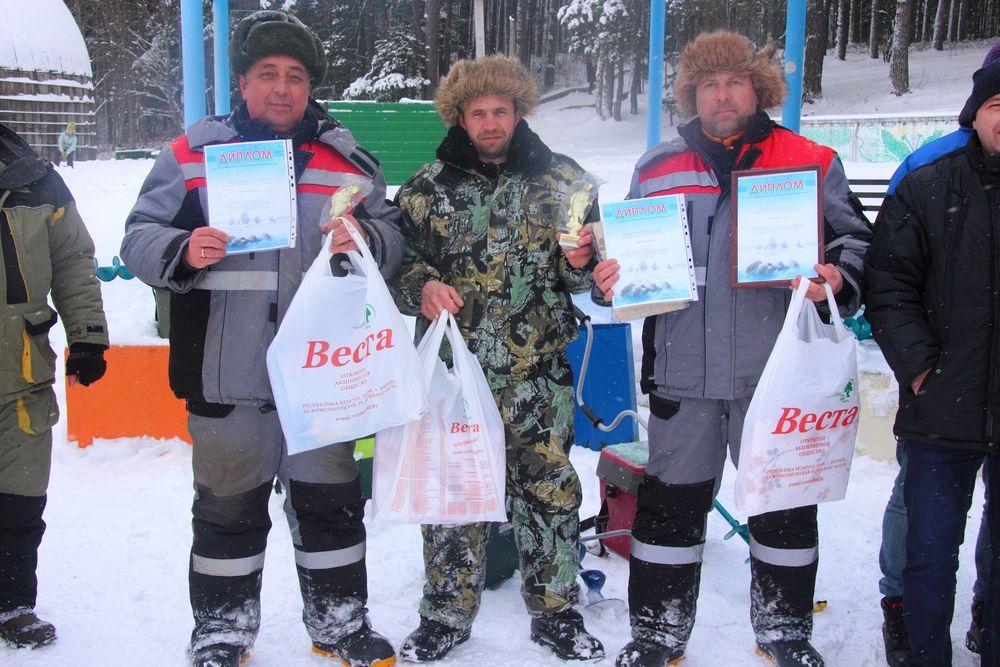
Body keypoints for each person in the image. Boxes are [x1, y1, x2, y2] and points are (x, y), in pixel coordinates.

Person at [119, 11, 403, 667]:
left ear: (310, 87)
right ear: (242, 83)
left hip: (322, 377)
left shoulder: (347, 161)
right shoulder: (190, 155)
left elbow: (393, 237)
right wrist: (182, 248)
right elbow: (139, 237)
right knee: (227, 510)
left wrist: (367, 238)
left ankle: (340, 622)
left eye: (295, 76)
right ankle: (222, 629)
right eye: (267, 73)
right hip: (227, 374)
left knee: (331, 507)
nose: (281, 87)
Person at [593, 31, 872, 667]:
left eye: (736, 82)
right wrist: (607, 275)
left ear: (759, 88)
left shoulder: (809, 159)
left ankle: (784, 631)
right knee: (670, 512)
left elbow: (856, 242)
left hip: (775, 376)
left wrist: (838, 277)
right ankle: (658, 635)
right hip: (682, 377)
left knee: (783, 508)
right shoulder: (656, 166)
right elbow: (628, 257)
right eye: (709, 84)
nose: (722, 95)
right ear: (692, 93)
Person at [391, 55, 603, 662]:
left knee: (550, 492)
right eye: (478, 112)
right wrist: (423, 287)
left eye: (500, 111)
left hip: (538, 375)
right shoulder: (425, 189)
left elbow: (587, 277)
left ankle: (557, 612)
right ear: (460, 117)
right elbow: (397, 267)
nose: (490, 123)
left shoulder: (564, 180)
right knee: (452, 493)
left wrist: (584, 261)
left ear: (518, 112)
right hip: (454, 376)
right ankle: (445, 615)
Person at [865, 59, 1000, 667]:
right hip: (943, 409)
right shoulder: (928, 182)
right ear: (975, 113)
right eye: (997, 105)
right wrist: (923, 371)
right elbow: (890, 285)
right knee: (927, 553)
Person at [0, 123, 108, 649]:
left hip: (19, 374)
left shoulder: (35, 179)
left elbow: (71, 260)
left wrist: (87, 336)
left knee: (20, 498)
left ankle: (12, 603)